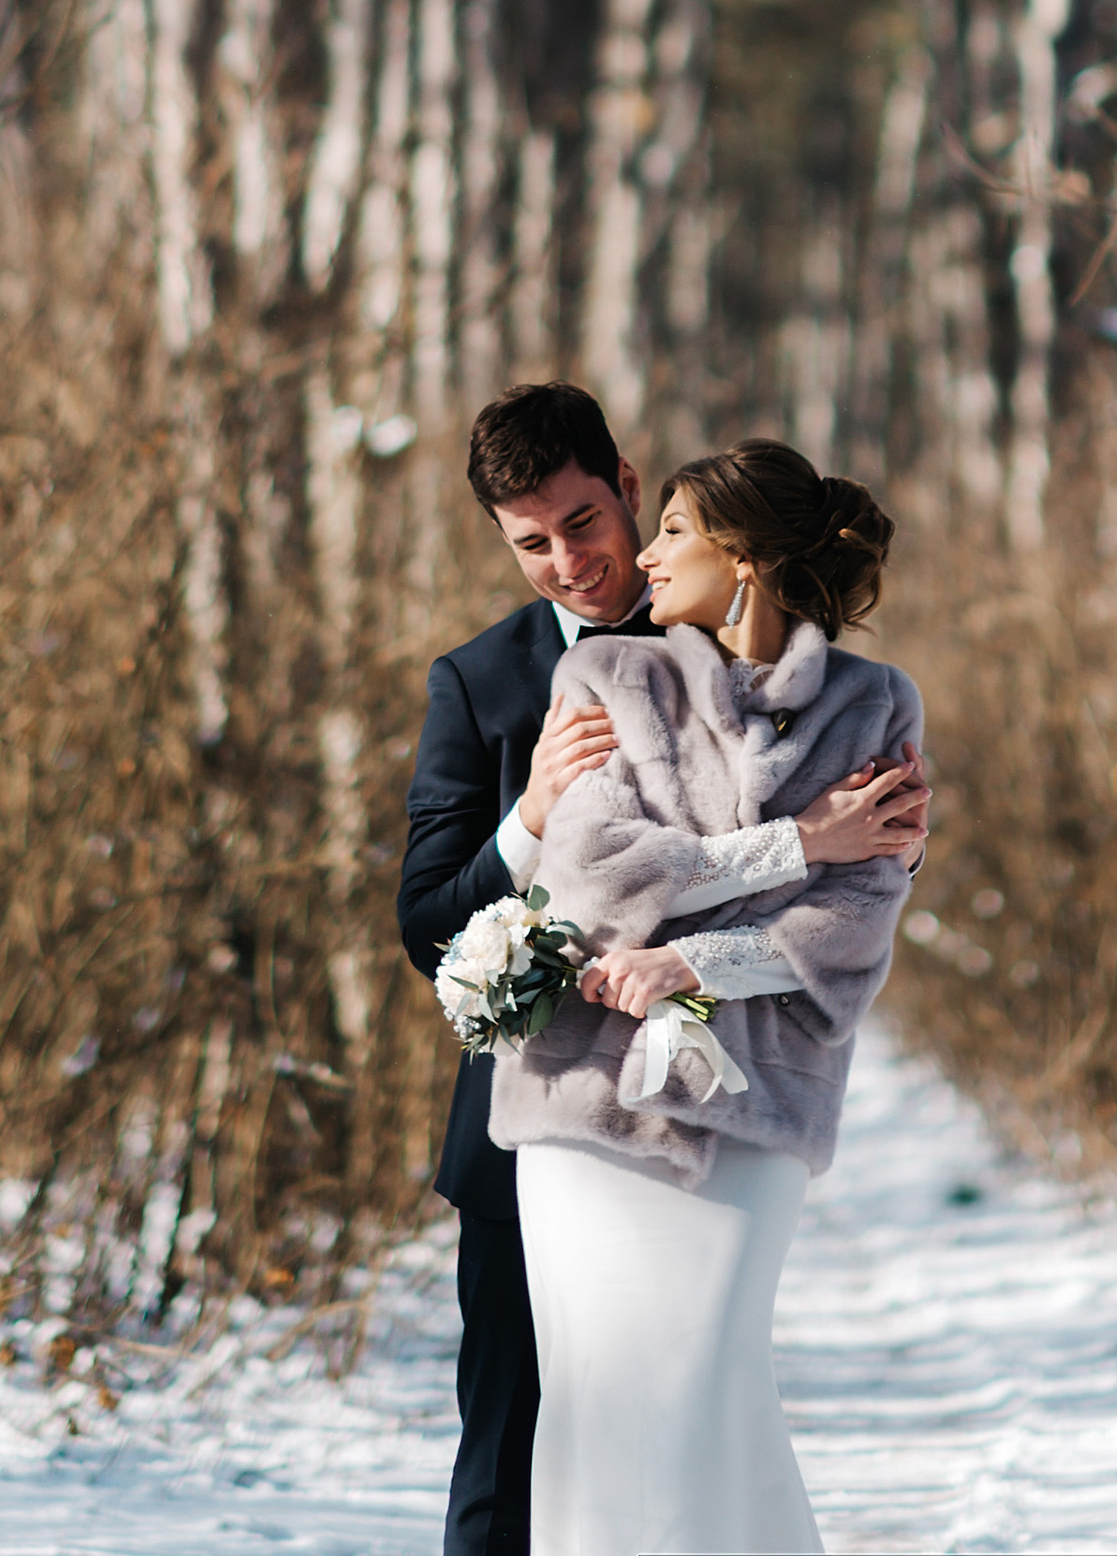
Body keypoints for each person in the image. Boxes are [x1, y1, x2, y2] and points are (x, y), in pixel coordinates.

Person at [398, 389, 928, 1556]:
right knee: (523, 1444)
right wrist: (529, 819)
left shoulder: (861, 700)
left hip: (749, 1102)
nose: (576, 561)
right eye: (529, 541)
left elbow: (854, 911)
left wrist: (713, 940)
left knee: (708, 1395)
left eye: (583, 522)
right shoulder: (492, 681)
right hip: (556, 1103)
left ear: (629, 485)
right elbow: (437, 918)